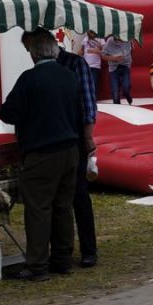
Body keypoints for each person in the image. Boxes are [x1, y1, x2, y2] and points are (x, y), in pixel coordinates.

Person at [0, 31, 83, 281]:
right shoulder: (69, 76)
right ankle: (63, 259)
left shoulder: (29, 79)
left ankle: (37, 266)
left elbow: (8, 113)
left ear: (34, 53)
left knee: (39, 209)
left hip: (42, 151)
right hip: (70, 149)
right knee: (63, 207)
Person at [50, 32, 100, 269]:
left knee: (79, 195)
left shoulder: (75, 63)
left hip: (75, 136)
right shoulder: (44, 69)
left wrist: (88, 136)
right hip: (56, 138)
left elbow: (88, 102)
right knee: (59, 197)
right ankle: (62, 251)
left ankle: (89, 250)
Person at [102, 34, 133, 104]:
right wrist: (113, 58)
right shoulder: (109, 42)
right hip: (113, 69)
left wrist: (128, 63)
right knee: (115, 94)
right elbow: (103, 55)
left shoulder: (127, 40)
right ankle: (118, 108)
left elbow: (130, 52)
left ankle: (127, 95)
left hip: (125, 67)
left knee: (126, 88)